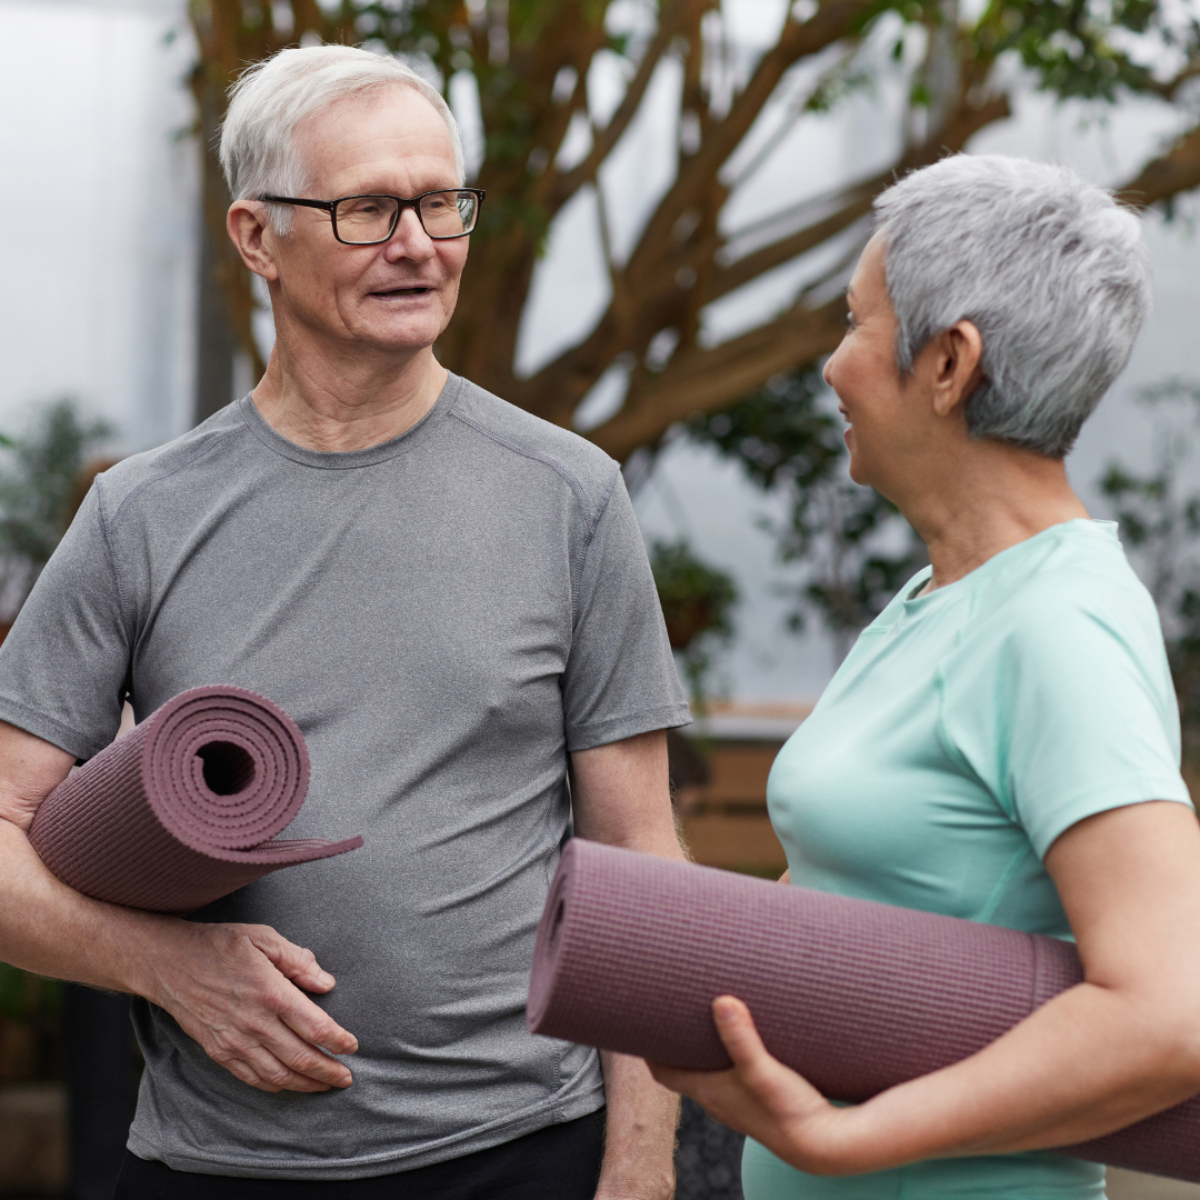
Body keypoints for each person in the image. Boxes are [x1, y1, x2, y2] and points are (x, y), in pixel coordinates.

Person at [0, 44, 690, 1199]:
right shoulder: (139, 515)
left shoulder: (569, 496)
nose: (419, 242)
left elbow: (639, 860)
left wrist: (639, 1161)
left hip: (521, 1157)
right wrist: (165, 965)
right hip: (215, 1164)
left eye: (440, 201)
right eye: (370, 207)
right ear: (257, 236)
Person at [649, 154, 1200, 1200]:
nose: (830, 367)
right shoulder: (941, 596)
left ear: (949, 364)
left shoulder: (1059, 626)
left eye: (856, 324)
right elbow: (863, 891)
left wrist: (852, 1139)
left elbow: (1172, 1010)